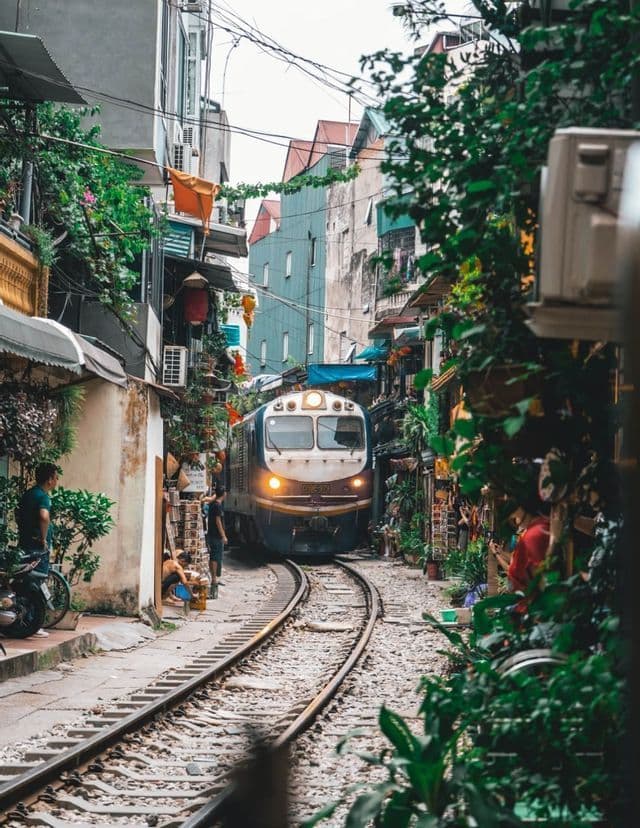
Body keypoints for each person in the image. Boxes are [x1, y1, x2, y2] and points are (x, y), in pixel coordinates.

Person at [15, 463, 59, 638]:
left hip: (25, 542)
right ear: (49, 479)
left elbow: (18, 514)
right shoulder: (43, 496)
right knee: (36, 582)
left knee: (24, 581)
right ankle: (33, 623)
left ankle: (22, 620)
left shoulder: (28, 494)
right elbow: (44, 516)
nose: (56, 480)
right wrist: (42, 538)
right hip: (37, 547)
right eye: (56, 477)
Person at [489, 496, 551, 606]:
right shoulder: (532, 532)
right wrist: (500, 553)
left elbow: (535, 575)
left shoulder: (534, 535)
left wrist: (496, 554)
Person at [203, 483, 227, 596]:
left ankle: (214, 578)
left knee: (214, 556)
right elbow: (218, 522)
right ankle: (214, 580)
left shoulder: (213, 504)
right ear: (224, 494)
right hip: (216, 536)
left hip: (211, 534)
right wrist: (223, 536)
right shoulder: (217, 506)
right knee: (215, 557)